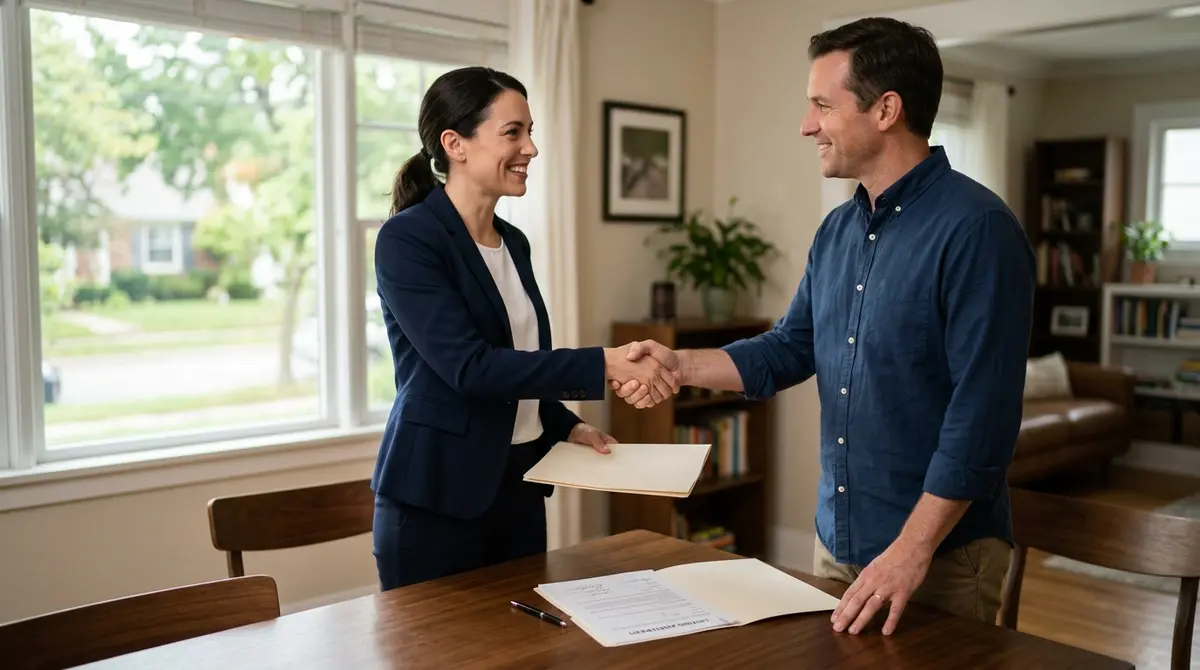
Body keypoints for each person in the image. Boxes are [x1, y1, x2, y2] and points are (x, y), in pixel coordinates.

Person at [613, 17, 1035, 636]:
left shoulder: (978, 231)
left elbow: (983, 419)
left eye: (821, 106)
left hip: (938, 558)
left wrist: (910, 552)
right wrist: (680, 366)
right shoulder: (838, 231)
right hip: (837, 543)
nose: (807, 125)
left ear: (886, 108)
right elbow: (792, 347)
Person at [371, 66, 676, 590]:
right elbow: (470, 367)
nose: (530, 148)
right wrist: (603, 362)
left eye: (530, 132)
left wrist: (565, 426)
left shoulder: (514, 242)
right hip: (436, 499)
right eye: (513, 132)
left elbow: (518, 366)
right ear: (455, 144)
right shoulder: (408, 240)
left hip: (519, 491)